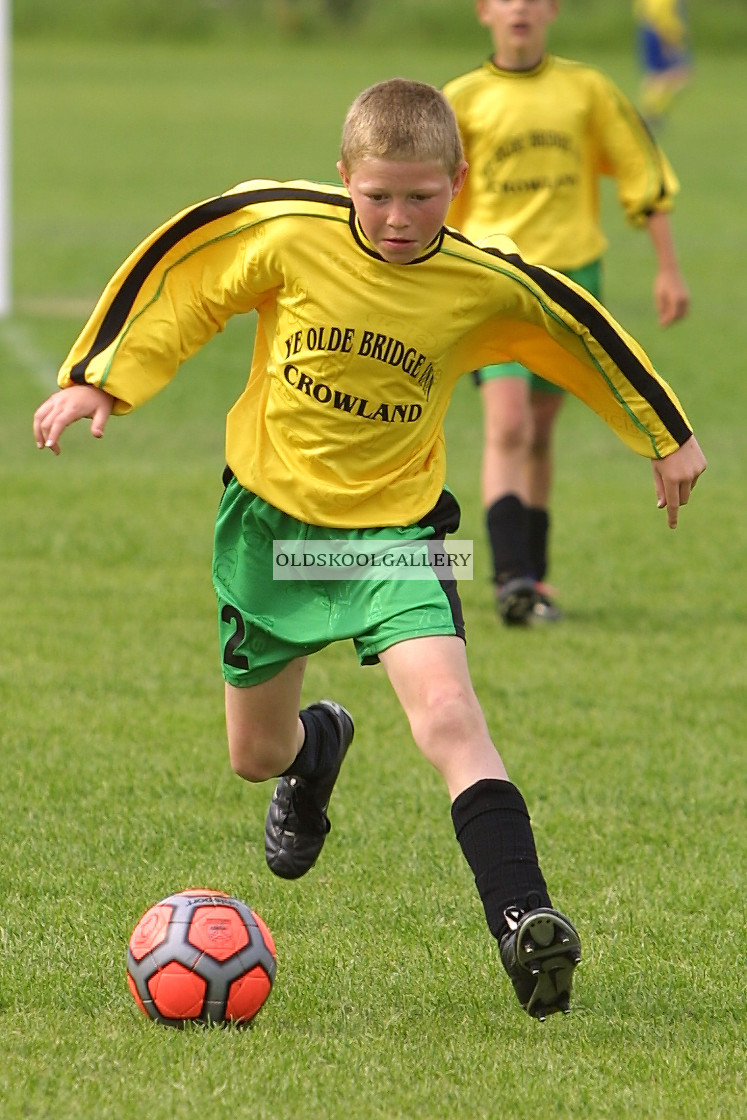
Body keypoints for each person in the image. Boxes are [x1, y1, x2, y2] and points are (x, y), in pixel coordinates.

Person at [32, 78, 705, 1021]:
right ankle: (317, 750)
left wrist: (664, 434)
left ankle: (524, 920)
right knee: (255, 753)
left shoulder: (480, 278)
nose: (396, 218)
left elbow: (573, 327)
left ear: (457, 184)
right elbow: (182, 277)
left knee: (449, 718)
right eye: (377, 194)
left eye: (422, 197)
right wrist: (101, 380)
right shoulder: (284, 229)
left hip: (397, 538)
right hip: (270, 531)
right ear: (342, 174)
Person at [443, 0, 691, 625]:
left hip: (573, 286)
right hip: (497, 282)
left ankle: (537, 576)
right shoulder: (462, 99)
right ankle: (510, 581)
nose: (520, 8)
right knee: (508, 427)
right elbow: (432, 191)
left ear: (552, 10)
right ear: (483, 12)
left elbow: (643, 175)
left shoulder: (586, 90)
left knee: (542, 434)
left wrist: (667, 267)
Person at [634, 0, 693, 128]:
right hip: (661, 32)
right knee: (677, 75)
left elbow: (641, 9)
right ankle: (651, 113)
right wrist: (671, 39)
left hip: (648, 30)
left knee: (657, 75)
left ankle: (651, 113)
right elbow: (664, 16)